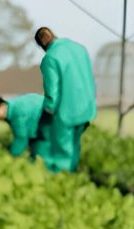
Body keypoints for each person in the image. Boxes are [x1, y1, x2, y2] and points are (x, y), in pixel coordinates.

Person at [35, 26, 97, 173]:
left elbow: (52, 92)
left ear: (42, 45)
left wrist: (47, 111)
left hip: (66, 111)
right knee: (75, 147)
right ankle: (73, 174)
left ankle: (61, 181)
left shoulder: (50, 57)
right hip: (87, 109)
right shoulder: (80, 49)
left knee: (61, 151)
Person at [0, 90, 52, 163]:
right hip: (41, 127)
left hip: (50, 125)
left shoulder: (17, 113)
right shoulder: (11, 107)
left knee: (43, 156)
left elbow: (21, 139)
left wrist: (9, 158)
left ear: (0, 105)